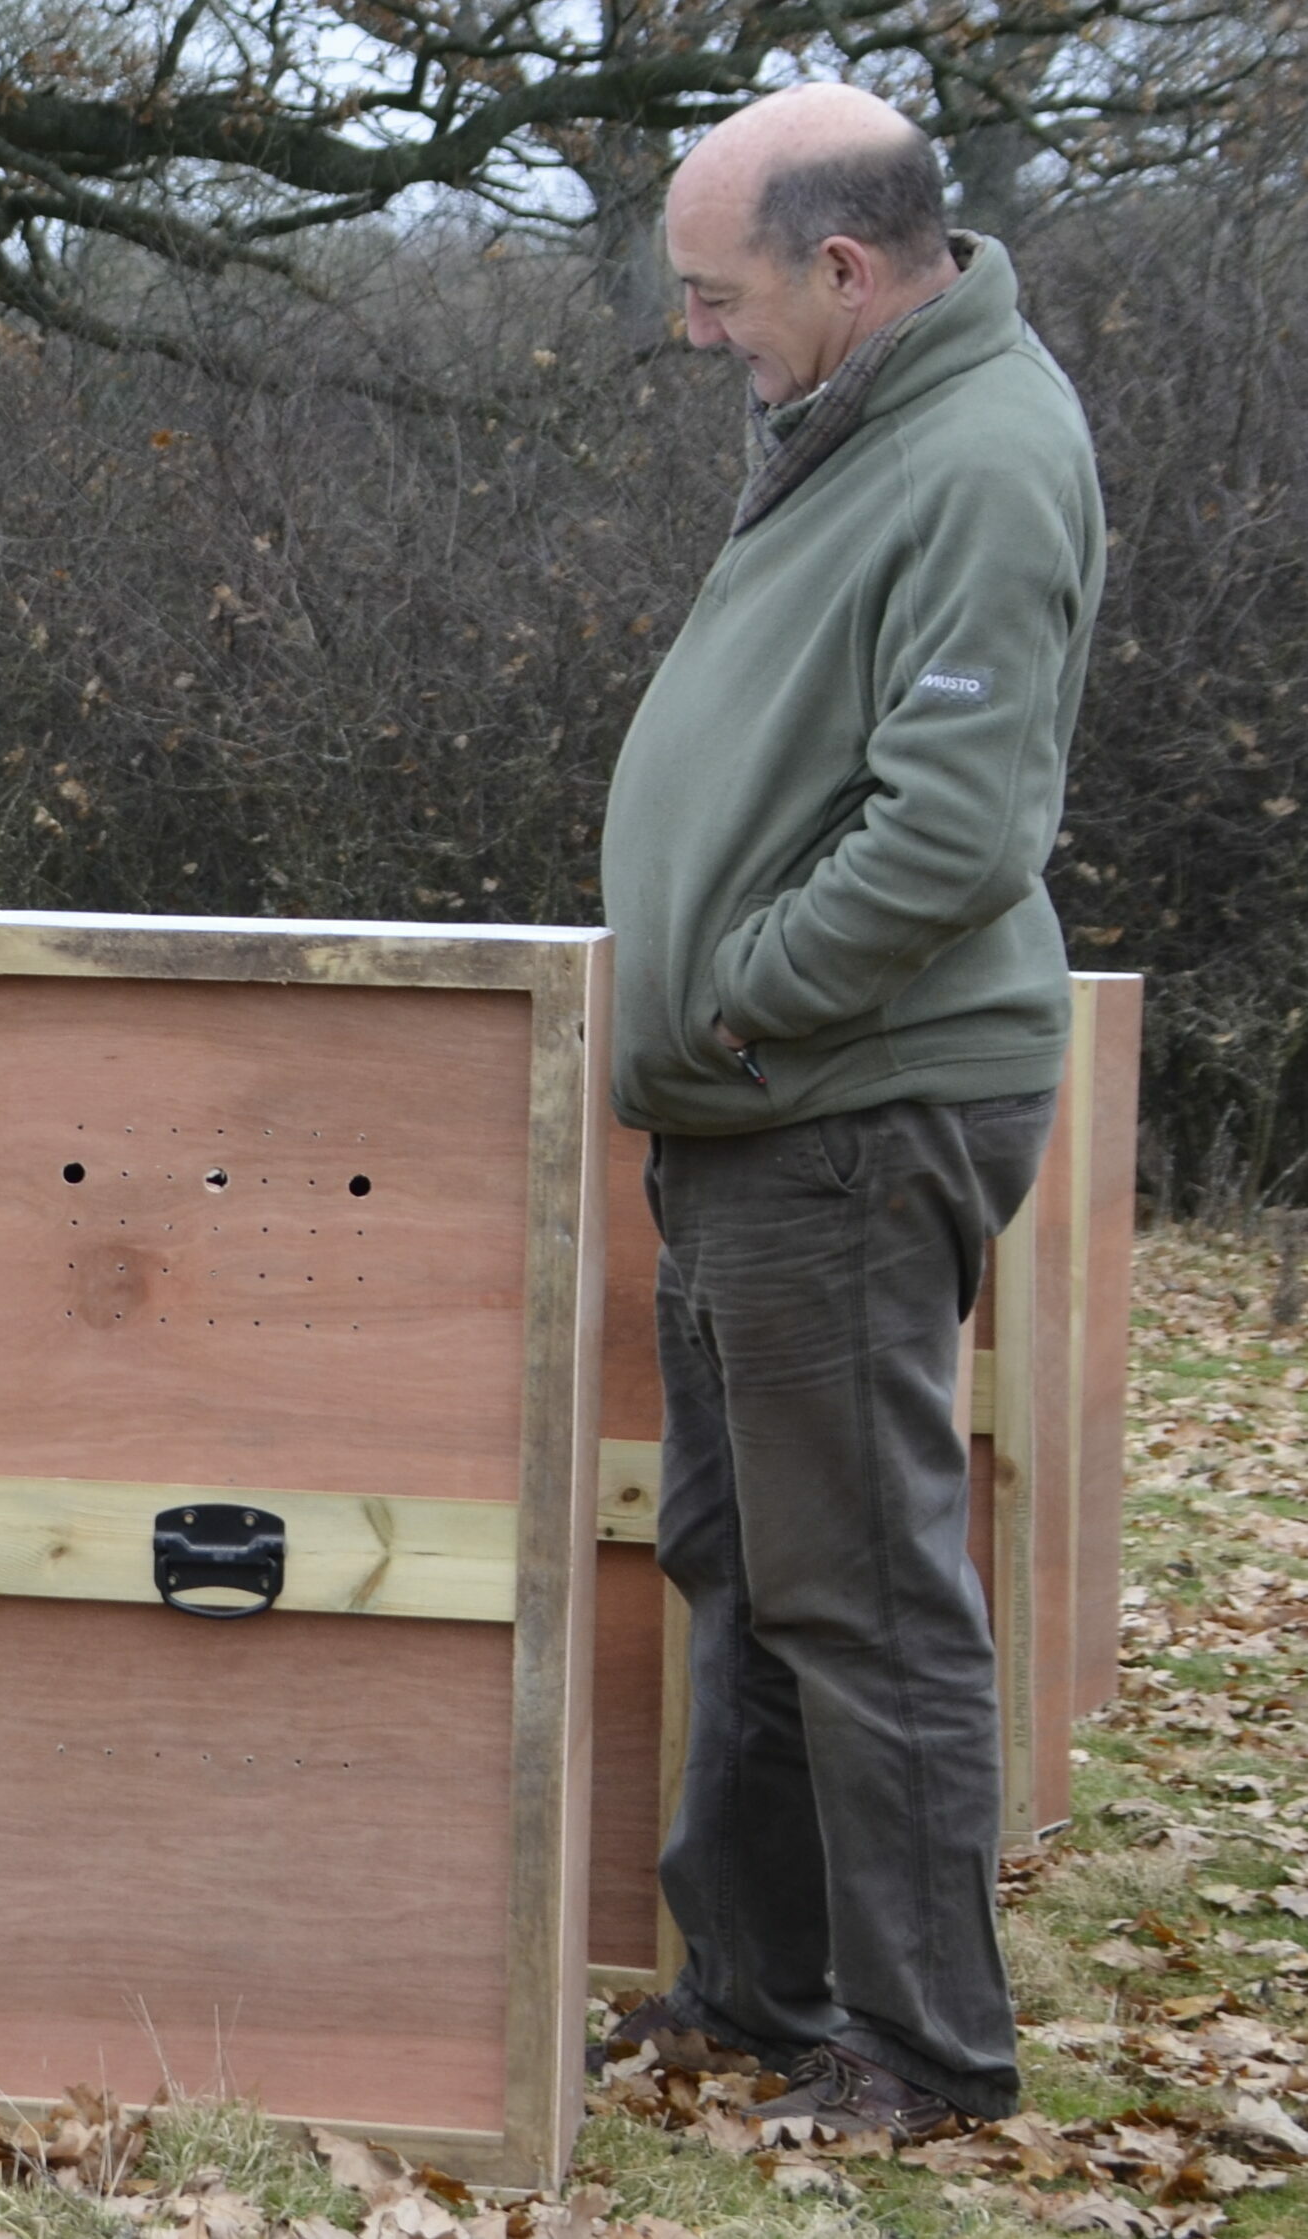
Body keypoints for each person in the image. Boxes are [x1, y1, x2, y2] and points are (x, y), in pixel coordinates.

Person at [599, 85, 1104, 2140]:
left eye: (719, 298)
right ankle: (753, 1986)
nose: (701, 335)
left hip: (839, 1105)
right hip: (763, 1109)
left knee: (863, 1590)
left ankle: (923, 2055)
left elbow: (956, 830)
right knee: (740, 1554)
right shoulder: (857, 419)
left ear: (839, 265)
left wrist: (734, 1007)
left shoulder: (980, 458)